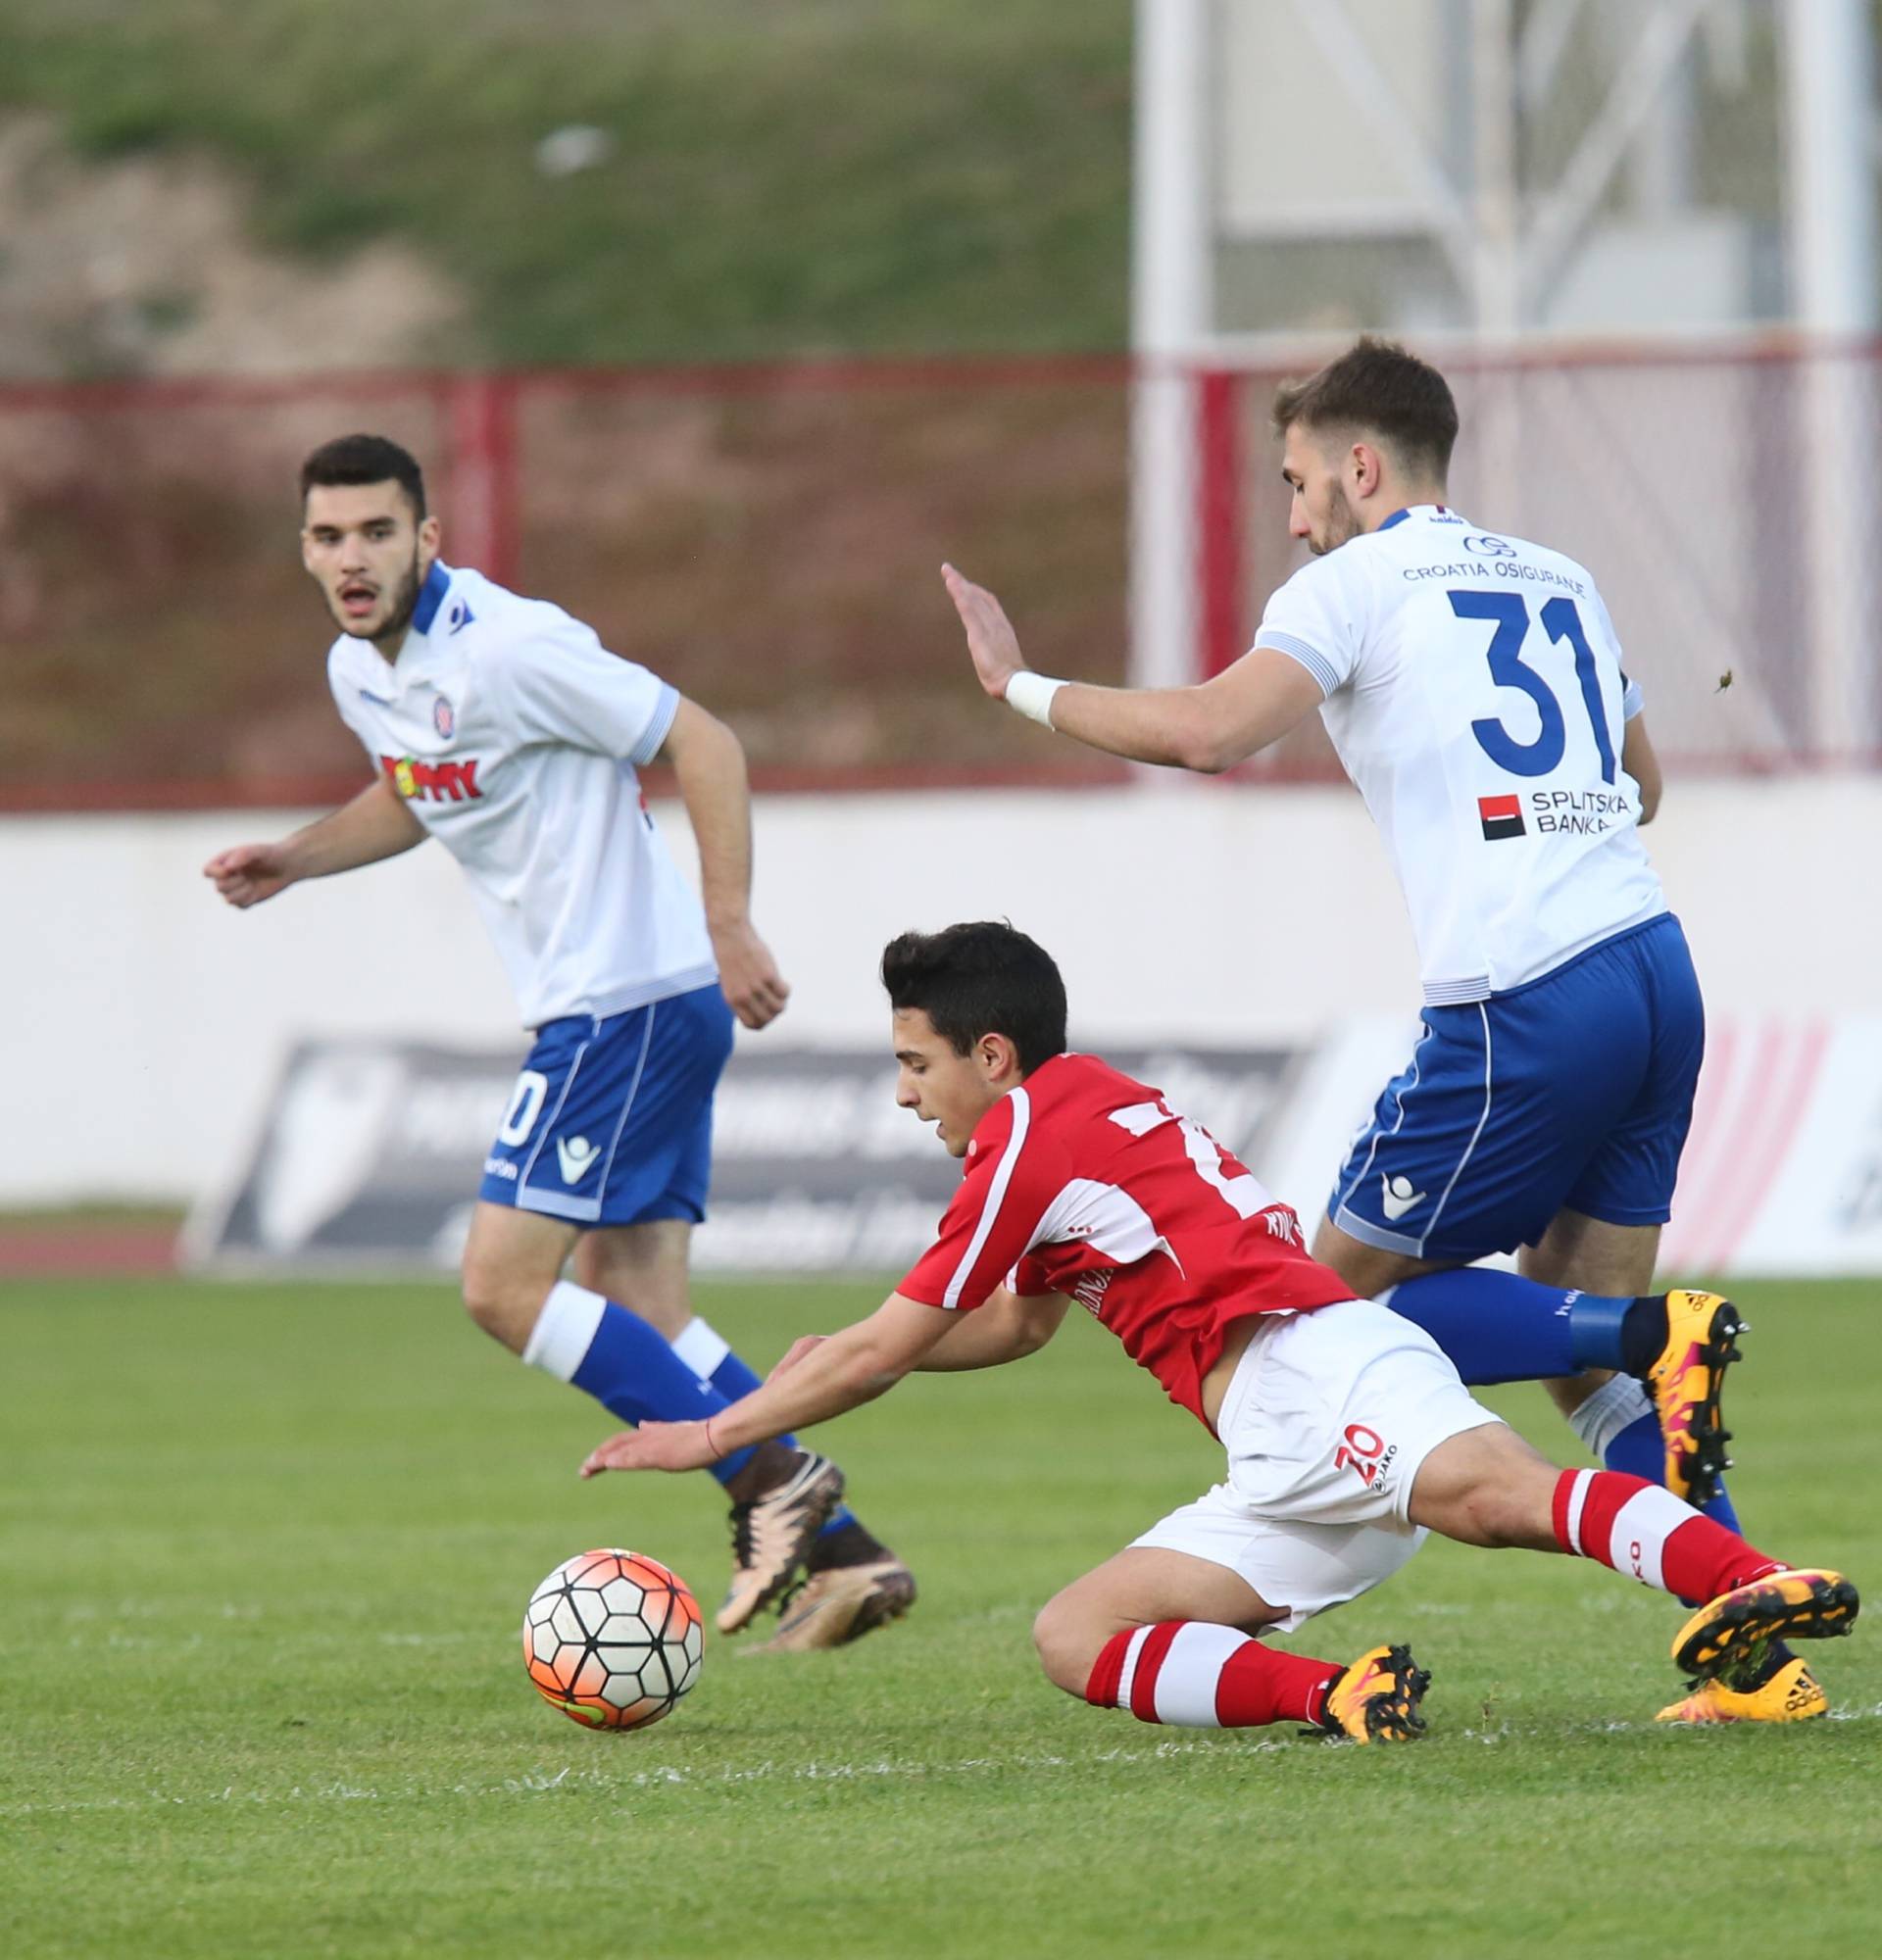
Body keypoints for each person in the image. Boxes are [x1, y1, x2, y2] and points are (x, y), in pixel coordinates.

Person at [939, 338, 1802, 1724]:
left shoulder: (1355, 581)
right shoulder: (1558, 574)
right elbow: (1637, 783)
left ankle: (1659, 1329)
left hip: (1521, 997)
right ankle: (1752, 1653)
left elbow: (1213, 734)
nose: (1292, 517)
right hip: (1652, 972)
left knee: (1318, 1318)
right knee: (1573, 1361)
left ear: (1359, 464)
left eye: (1295, 482)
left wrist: (1020, 689)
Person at [577, 922, 1858, 1740]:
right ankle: (1338, 1696)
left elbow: (890, 1341)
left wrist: (716, 1433)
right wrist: (841, 1363)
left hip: (1315, 1364)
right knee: (1076, 1636)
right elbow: (1017, 1325)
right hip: (1273, 1445)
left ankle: (1745, 1586)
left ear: (993, 1054)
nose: (904, 1093)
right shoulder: (1091, 1109)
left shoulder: (1024, 1141)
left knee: (1495, 1497)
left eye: (917, 1064)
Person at [205, 432, 913, 1652]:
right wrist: (297, 857)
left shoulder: (513, 646)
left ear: (428, 537)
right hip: (623, 1010)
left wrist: (728, 917)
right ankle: (849, 1558)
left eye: (379, 530)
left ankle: (773, 1489)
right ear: (305, 550)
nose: (353, 556)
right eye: (330, 536)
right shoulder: (360, 669)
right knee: (634, 1297)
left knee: (500, 1286)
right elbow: (418, 789)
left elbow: (706, 739)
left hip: (625, 1005)